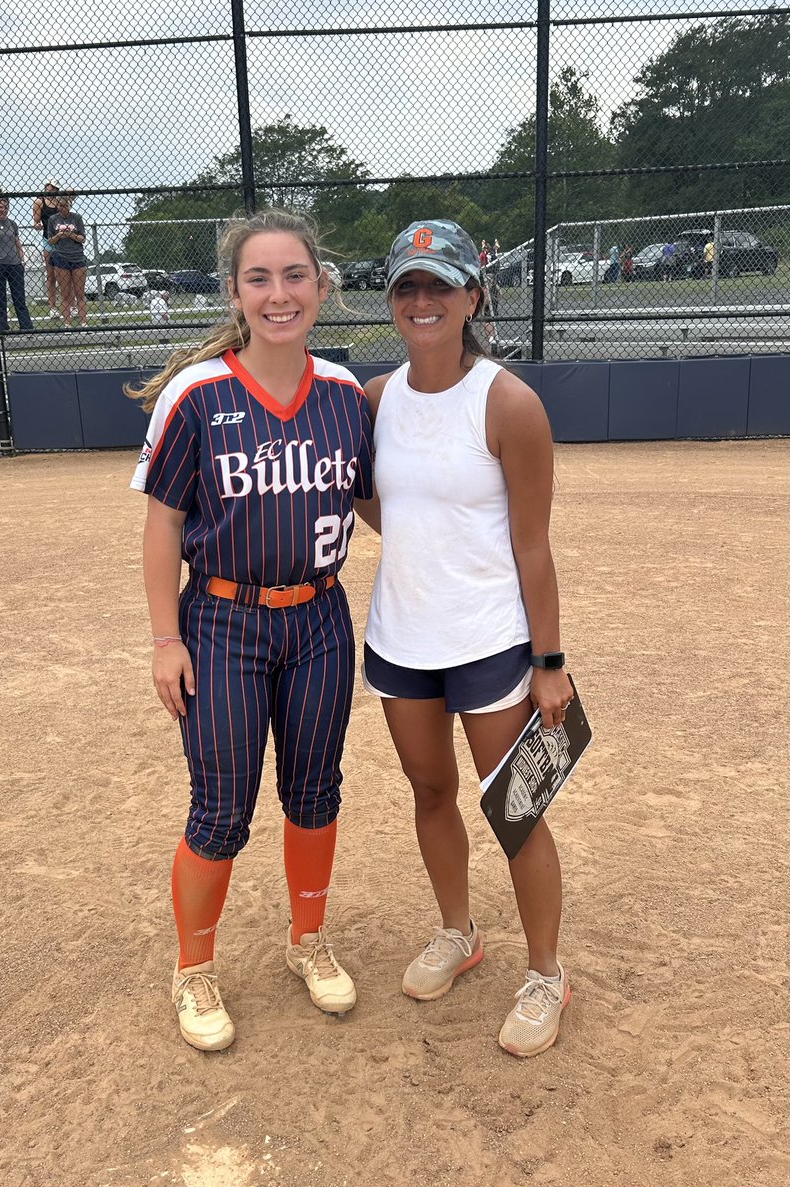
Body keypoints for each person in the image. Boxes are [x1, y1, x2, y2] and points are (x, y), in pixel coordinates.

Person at [128, 209, 374, 1053]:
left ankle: (307, 941)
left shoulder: (344, 394)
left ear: (321, 285)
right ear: (235, 292)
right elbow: (163, 525)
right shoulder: (197, 397)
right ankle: (193, 969)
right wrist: (167, 640)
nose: (279, 294)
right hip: (224, 623)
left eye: (295, 276)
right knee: (221, 810)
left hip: (319, 619)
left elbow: (374, 504)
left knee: (315, 790)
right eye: (260, 279)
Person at [360, 219, 574, 1058]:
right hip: (400, 637)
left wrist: (549, 662)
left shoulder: (508, 402)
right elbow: (376, 507)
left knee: (516, 811)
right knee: (428, 793)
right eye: (407, 287)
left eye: (438, 286)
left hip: (490, 642)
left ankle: (547, 972)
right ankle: (459, 932)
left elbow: (533, 543)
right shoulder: (374, 400)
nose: (422, 301)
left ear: (471, 297)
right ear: (391, 302)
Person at [0, 191, 34, 333]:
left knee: (19, 297)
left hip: (14, 263)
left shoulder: (12, 224)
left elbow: (17, 242)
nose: (4, 209)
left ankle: (26, 327)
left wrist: (21, 258)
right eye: (1, 207)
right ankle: (2, 327)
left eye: (6, 207)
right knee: (0, 298)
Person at [46, 190, 89, 327]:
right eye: (60, 206)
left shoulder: (76, 218)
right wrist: (59, 236)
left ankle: (84, 322)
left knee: (80, 293)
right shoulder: (53, 220)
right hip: (61, 257)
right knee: (64, 293)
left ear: (70, 205)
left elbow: (83, 238)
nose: (63, 208)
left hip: (77, 257)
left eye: (65, 206)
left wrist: (72, 235)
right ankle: (67, 323)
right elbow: (50, 241)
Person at [33, 179, 61, 318]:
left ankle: (71, 304)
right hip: (48, 240)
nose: (51, 190)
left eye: (54, 188)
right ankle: (53, 307)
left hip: (62, 241)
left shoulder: (59, 201)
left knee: (65, 274)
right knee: (51, 275)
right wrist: (38, 225)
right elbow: (36, 221)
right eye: (50, 187)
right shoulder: (39, 202)